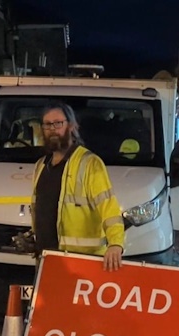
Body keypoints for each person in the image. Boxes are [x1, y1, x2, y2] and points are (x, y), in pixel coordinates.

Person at [31, 102, 124, 271]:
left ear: (72, 126)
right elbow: (43, 211)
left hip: (82, 263)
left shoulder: (89, 164)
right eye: (47, 124)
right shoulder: (40, 166)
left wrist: (115, 244)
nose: (52, 129)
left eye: (58, 123)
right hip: (47, 260)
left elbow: (109, 208)